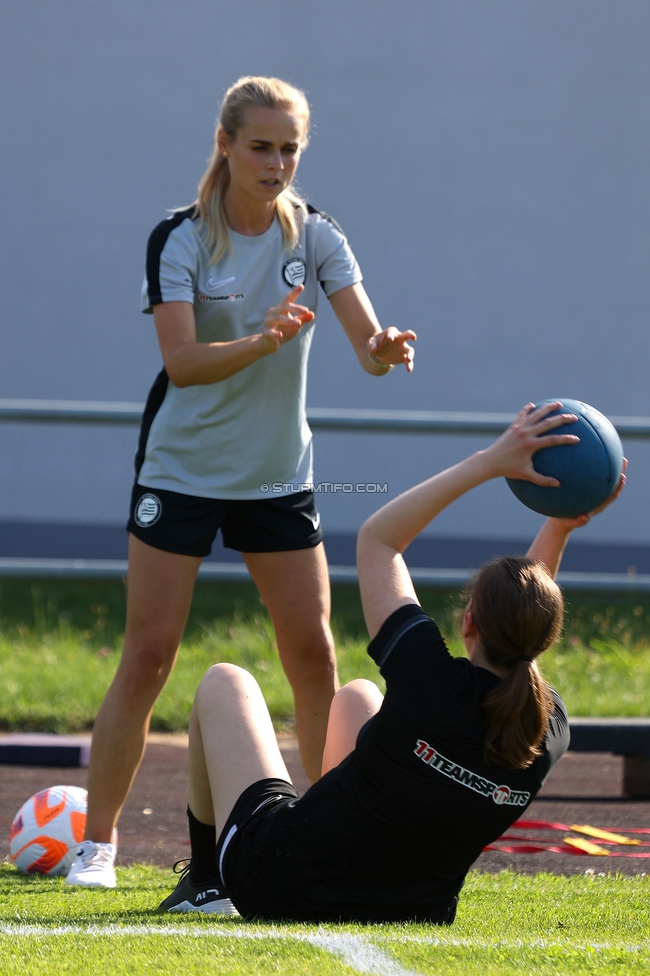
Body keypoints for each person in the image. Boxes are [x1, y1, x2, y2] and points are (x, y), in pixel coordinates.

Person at [66, 76, 416, 889]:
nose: (277, 162)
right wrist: (263, 341)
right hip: (180, 472)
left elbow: (366, 347)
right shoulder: (181, 238)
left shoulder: (319, 235)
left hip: (276, 477)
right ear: (224, 144)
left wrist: (385, 347)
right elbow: (183, 366)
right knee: (148, 656)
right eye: (261, 146)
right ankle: (98, 847)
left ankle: (328, 835)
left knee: (314, 656)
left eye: (290, 148)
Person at [156, 402, 626, 922]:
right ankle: (327, 848)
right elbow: (527, 620)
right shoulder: (547, 729)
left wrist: (490, 462)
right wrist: (559, 526)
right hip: (412, 908)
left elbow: (379, 540)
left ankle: (204, 881)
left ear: (468, 622)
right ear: (545, 637)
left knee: (227, 681)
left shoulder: (429, 681)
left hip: (279, 881)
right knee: (358, 696)